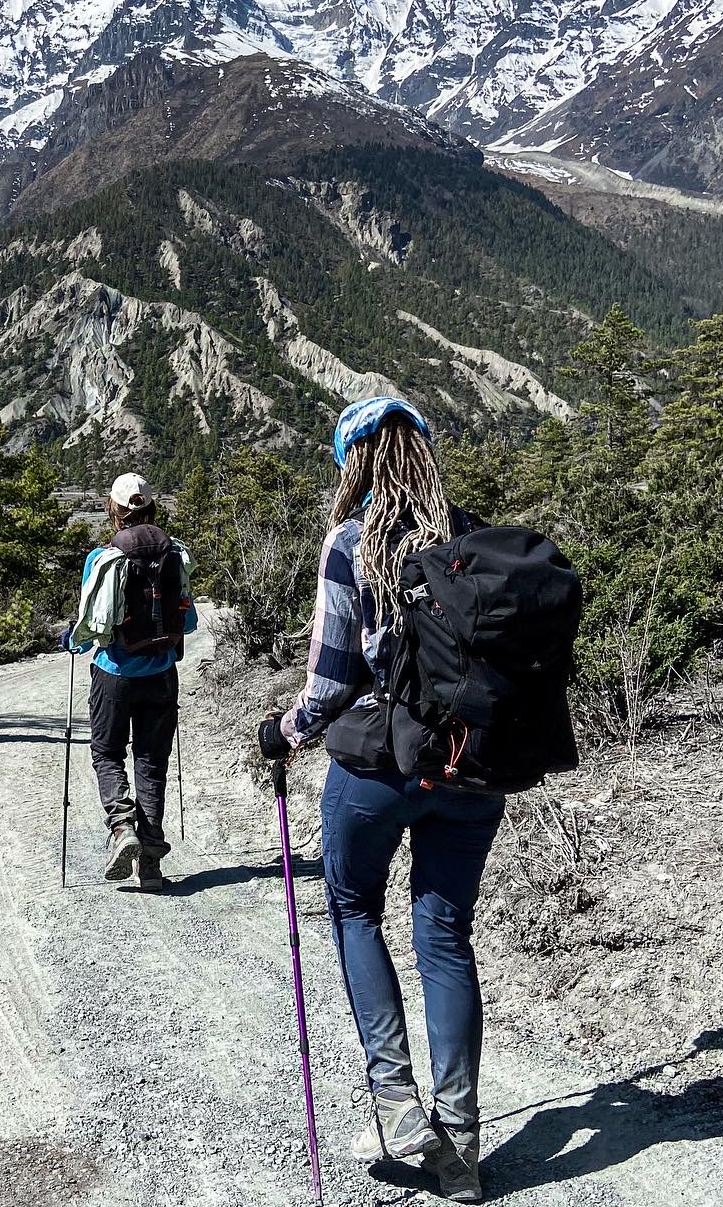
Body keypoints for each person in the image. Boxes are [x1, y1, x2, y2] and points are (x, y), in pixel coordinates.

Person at [258, 397, 500, 1204]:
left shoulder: (352, 540)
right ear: (426, 451)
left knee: (354, 908)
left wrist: (282, 730)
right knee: (444, 933)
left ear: (351, 462)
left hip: (380, 768)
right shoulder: (470, 532)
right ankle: (460, 1142)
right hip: (469, 766)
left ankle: (397, 1107)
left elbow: (329, 686)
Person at [64, 472, 198, 891]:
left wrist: (71, 639)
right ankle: (152, 862)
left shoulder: (103, 558)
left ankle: (123, 828)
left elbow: (90, 629)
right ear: (153, 509)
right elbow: (189, 620)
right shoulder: (177, 554)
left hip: (114, 674)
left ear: (114, 511)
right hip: (161, 674)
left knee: (106, 752)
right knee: (151, 760)